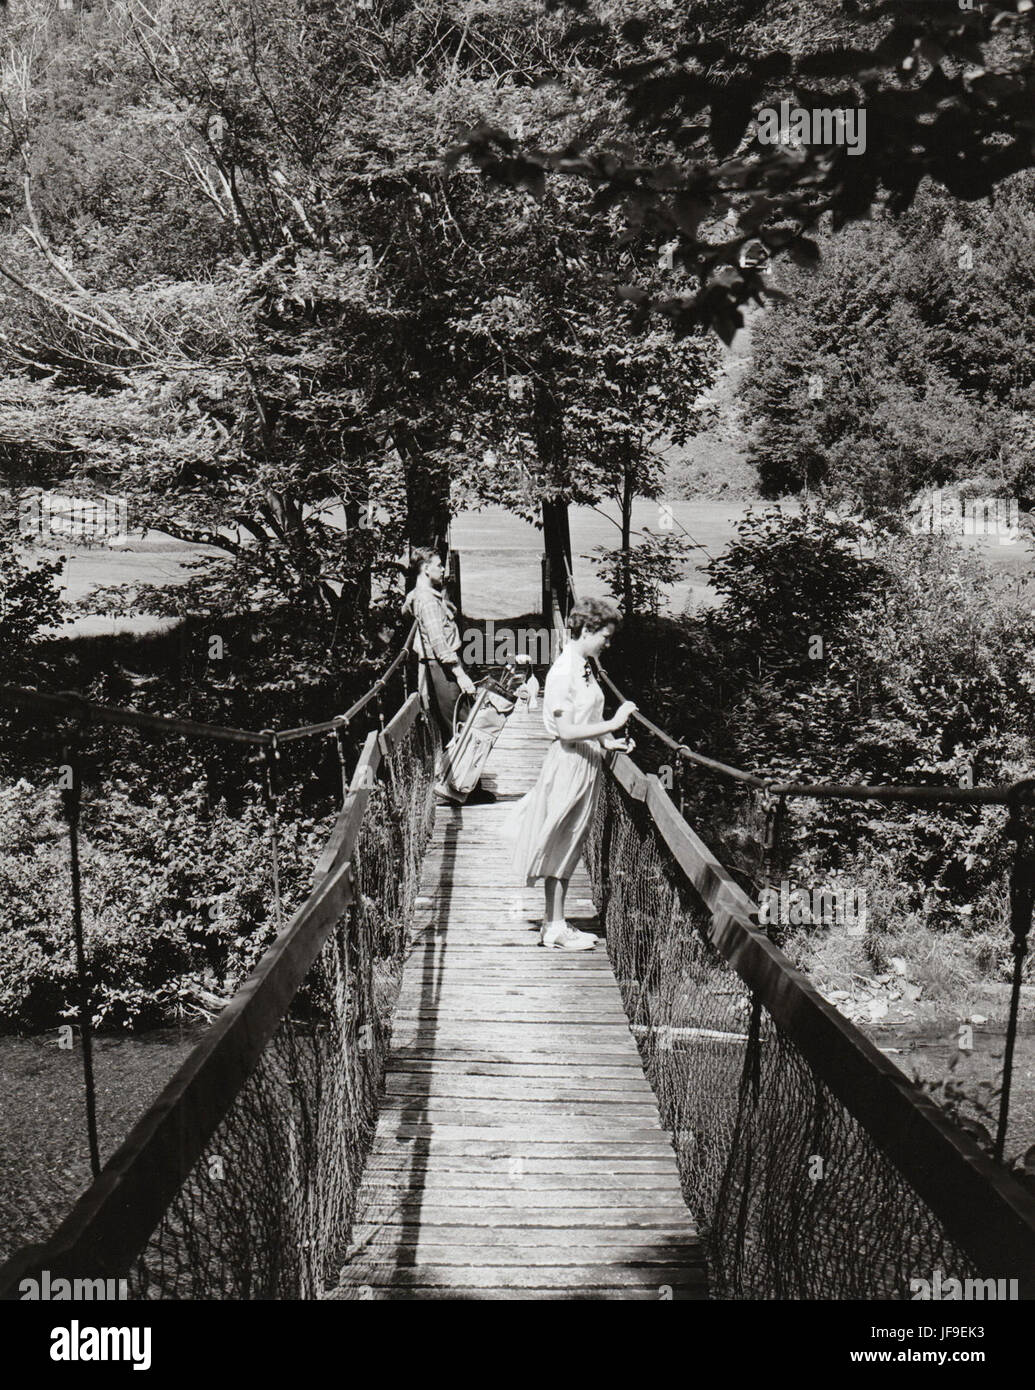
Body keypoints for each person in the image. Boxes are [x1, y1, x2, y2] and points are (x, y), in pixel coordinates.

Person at [511, 595, 637, 950]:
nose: (608, 644)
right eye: (605, 637)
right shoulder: (564, 671)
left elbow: (586, 718)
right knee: (562, 840)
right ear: (586, 630)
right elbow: (565, 731)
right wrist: (614, 722)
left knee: (570, 840)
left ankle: (556, 922)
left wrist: (608, 739)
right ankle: (554, 927)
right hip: (569, 762)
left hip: (585, 761)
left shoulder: (584, 665)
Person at [402, 547, 476, 771]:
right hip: (443, 670)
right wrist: (461, 676)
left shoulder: (421, 595)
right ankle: (466, 788)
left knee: (452, 726)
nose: (443, 569)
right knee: (461, 725)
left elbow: (407, 610)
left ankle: (458, 781)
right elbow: (440, 644)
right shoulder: (428, 601)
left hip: (437, 668)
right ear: (425, 569)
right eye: (438, 565)